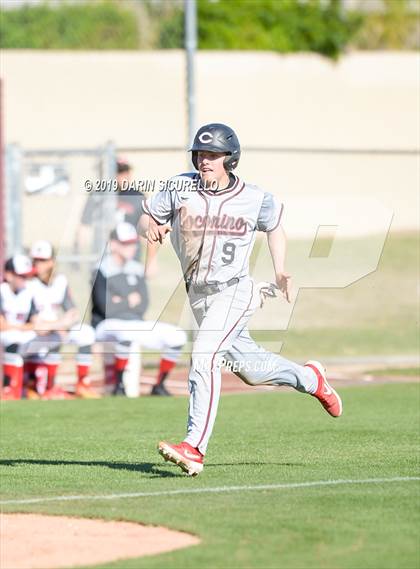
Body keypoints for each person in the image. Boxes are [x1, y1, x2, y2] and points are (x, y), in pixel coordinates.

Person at [139, 122, 343, 477]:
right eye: (201, 154)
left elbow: (274, 226)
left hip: (235, 290)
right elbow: (146, 217)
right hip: (199, 295)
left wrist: (280, 270)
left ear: (230, 159)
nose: (205, 161)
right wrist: (150, 229)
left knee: (204, 356)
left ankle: (194, 447)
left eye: (213, 155)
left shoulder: (254, 197)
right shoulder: (179, 187)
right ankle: (312, 380)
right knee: (250, 369)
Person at [91, 221, 186, 396]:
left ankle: (159, 385)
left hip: (135, 322)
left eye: (133, 243)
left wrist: (120, 300)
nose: (131, 247)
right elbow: (105, 306)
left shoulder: (136, 269)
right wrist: (129, 300)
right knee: (125, 333)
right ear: (113, 244)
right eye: (125, 243)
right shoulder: (101, 269)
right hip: (105, 325)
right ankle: (119, 386)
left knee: (177, 336)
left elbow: (142, 305)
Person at [29, 240, 98, 399]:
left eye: (43, 260)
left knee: (86, 333)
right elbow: (36, 324)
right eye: (36, 260)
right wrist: (60, 324)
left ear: (51, 261)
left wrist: (64, 324)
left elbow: (72, 312)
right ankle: (45, 386)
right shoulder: (29, 283)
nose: (38, 264)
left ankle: (82, 383)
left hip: (57, 328)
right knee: (50, 336)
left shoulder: (60, 281)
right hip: (36, 332)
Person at [0, 255, 60, 400]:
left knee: (52, 338)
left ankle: (36, 387)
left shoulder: (27, 292)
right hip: (7, 337)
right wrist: (29, 327)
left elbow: (35, 320)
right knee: (13, 339)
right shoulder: (2, 291)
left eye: (27, 276)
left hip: (19, 335)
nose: (25, 280)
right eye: (22, 276)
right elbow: (2, 326)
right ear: (8, 275)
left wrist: (54, 325)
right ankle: (9, 389)